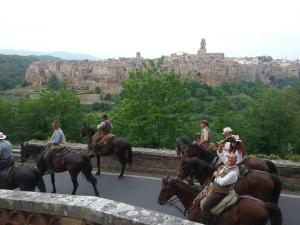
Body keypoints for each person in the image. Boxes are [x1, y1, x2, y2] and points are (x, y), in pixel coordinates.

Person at [201, 152, 239, 224]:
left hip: (221, 192)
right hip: (215, 187)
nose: (229, 159)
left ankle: (208, 222)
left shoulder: (233, 173)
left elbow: (222, 183)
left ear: (236, 160)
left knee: (205, 206)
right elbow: (220, 154)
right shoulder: (226, 165)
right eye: (229, 157)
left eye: (232, 158)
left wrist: (216, 175)